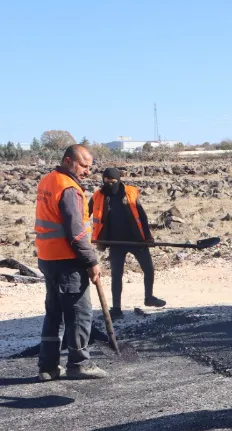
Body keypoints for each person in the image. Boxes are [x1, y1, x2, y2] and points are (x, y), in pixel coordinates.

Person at [34, 145, 107, 381]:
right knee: (79, 313)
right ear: (68, 161)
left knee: (53, 313)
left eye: (89, 166)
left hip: (47, 258)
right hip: (67, 261)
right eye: (83, 166)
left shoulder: (47, 181)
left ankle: (48, 366)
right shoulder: (69, 189)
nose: (87, 171)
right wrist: (92, 261)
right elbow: (76, 234)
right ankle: (79, 363)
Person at [89, 167, 165, 320]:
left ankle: (149, 297)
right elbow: (85, 213)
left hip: (136, 239)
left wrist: (148, 237)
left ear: (119, 180)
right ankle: (116, 309)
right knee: (116, 275)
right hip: (115, 242)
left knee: (149, 268)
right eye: (106, 181)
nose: (109, 184)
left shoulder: (130, 193)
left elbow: (142, 216)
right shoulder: (99, 195)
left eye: (113, 181)